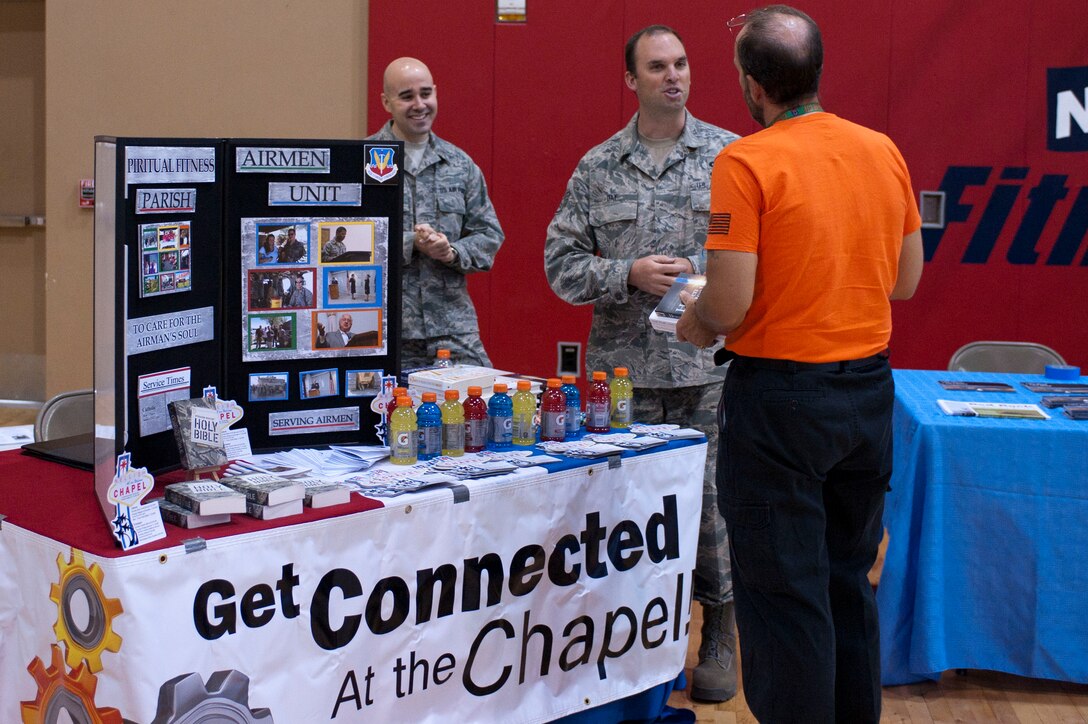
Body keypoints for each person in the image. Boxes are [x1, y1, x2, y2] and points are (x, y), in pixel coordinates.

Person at [676, 7, 924, 722]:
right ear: (818, 71)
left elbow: (726, 303)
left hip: (779, 404)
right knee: (848, 580)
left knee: (784, 595)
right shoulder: (882, 149)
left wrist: (695, 321)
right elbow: (904, 280)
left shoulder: (746, 160)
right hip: (868, 394)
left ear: (752, 86)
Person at [544, 25, 740, 702]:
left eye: (681, 64)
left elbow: (763, 255)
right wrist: (626, 271)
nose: (673, 76)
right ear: (632, 80)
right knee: (625, 512)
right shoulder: (597, 167)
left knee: (713, 507)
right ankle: (632, 635)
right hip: (624, 379)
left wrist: (703, 273)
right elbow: (560, 268)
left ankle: (718, 625)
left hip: (709, 369)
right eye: (657, 67)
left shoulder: (730, 157)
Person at [368, 57, 504, 369]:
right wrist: (409, 243)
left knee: (477, 407)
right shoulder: (362, 163)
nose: (419, 104)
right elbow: (339, 240)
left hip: (452, 326)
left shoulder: (460, 164)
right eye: (406, 97)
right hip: (383, 327)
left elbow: (489, 235)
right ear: (386, 102)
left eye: (425, 94)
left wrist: (451, 251)